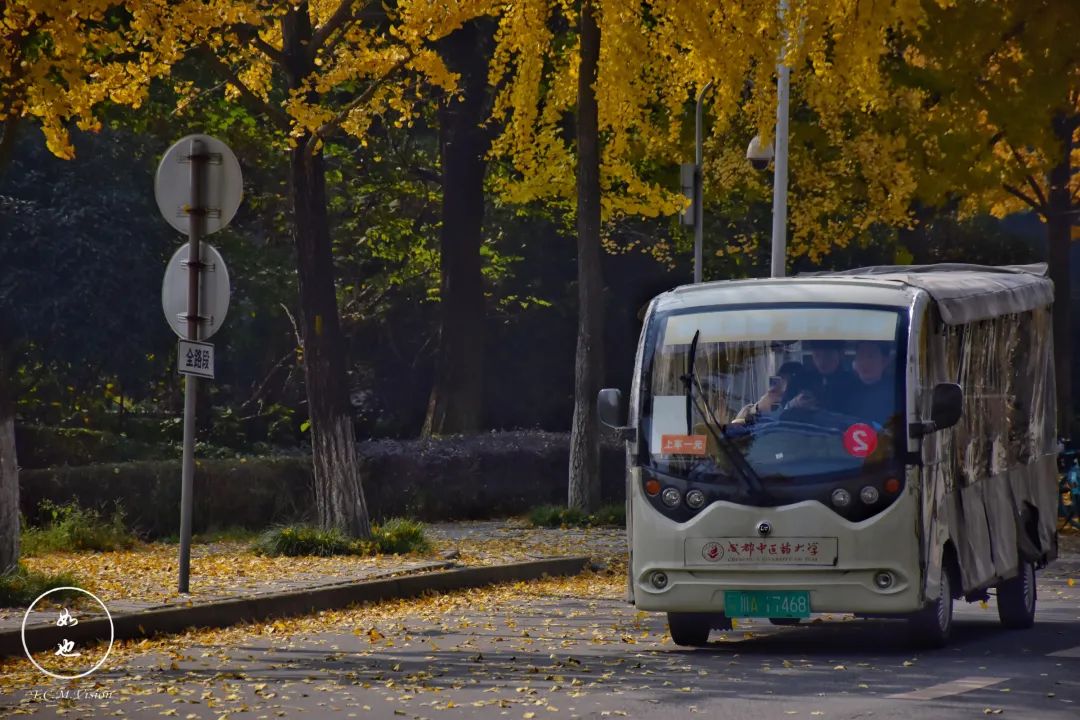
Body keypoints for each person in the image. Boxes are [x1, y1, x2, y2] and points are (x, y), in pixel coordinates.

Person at [732, 361, 805, 423]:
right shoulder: (762, 408)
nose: (778, 387)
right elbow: (736, 428)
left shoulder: (805, 406)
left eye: (786, 382)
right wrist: (757, 408)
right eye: (777, 381)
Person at [801, 339, 860, 414]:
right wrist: (794, 403)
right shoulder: (801, 380)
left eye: (828, 355)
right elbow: (784, 410)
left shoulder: (854, 383)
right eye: (817, 355)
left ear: (841, 354)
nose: (822, 361)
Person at [850, 340, 897, 425]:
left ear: (885, 361)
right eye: (860, 356)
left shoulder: (894, 391)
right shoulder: (846, 390)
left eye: (870, 356)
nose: (865, 362)